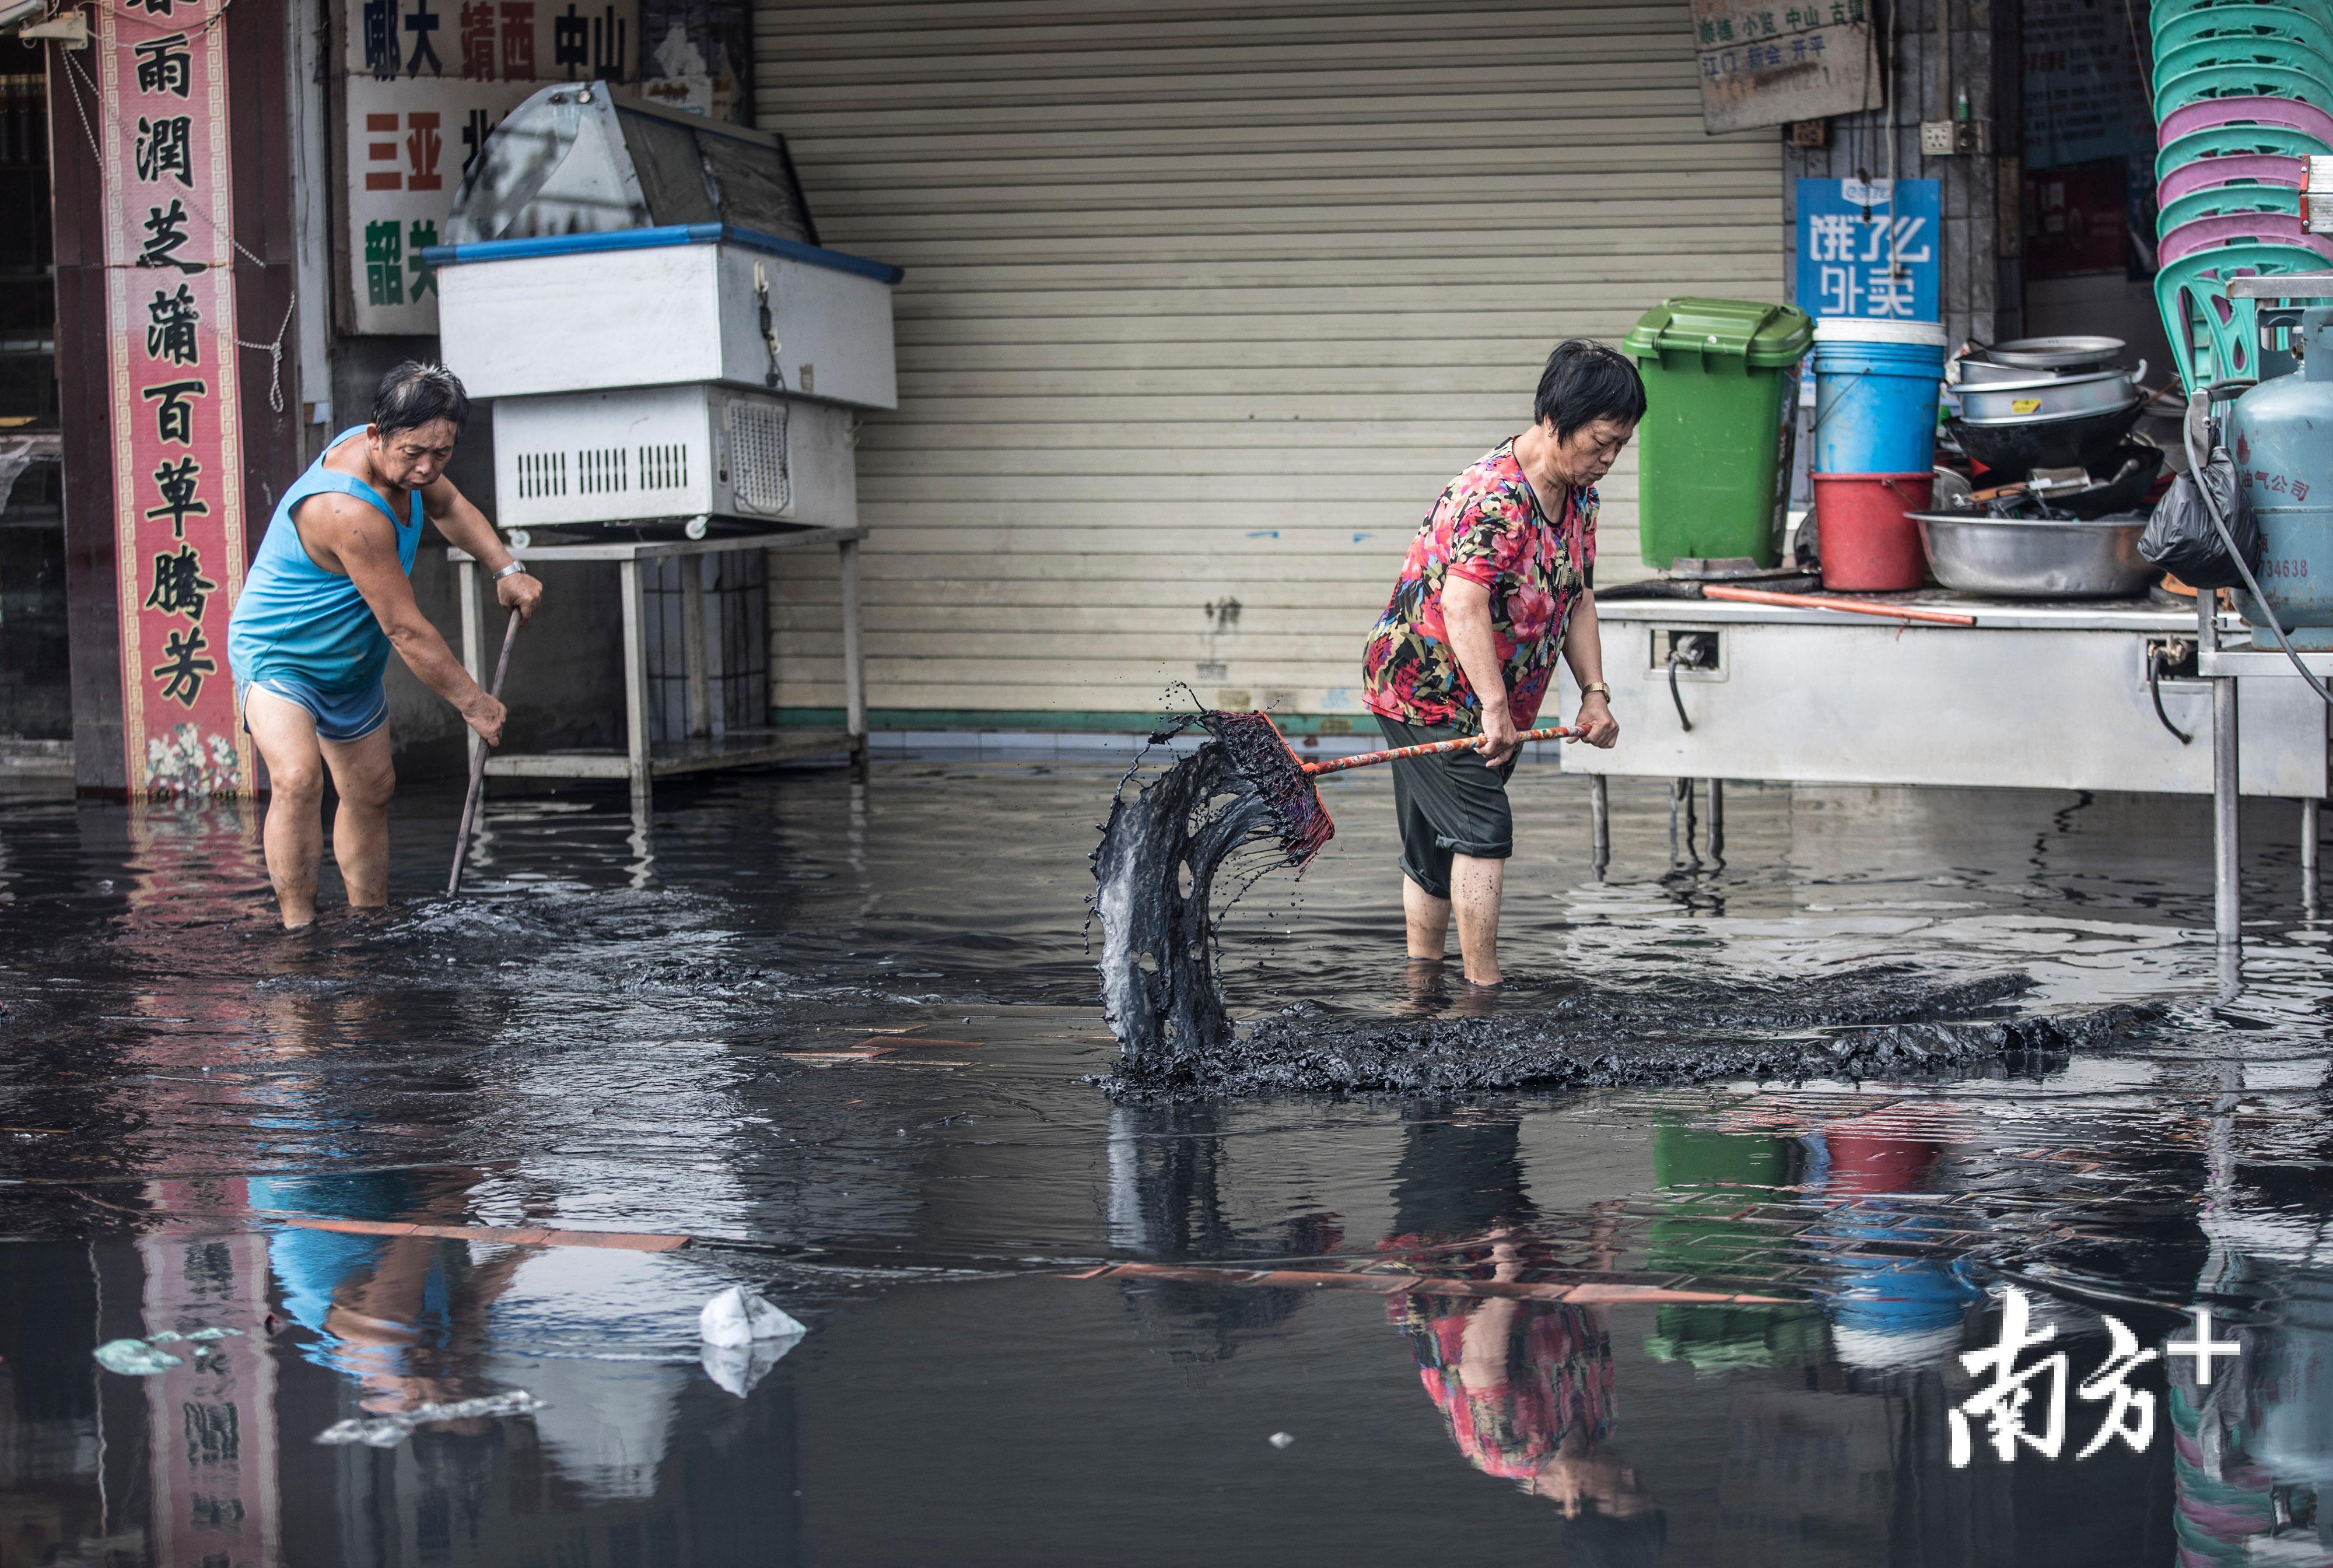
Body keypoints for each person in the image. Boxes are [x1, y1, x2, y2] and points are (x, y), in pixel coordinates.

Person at [1360, 339, 1640, 987]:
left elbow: (1578, 599)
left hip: (1487, 696)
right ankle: (1483, 993)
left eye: (1619, 447)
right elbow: (1462, 604)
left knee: (1435, 843)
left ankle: (1421, 989)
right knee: (1482, 826)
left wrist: (1593, 692)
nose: (1608, 460)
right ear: (1553, 421)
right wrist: (1493, 708)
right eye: (1599, 442)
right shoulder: (1497, 499)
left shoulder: (1579, 497)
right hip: (1424, 688)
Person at [227, 362, 541, 929]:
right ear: (375, 436)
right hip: (282, 656)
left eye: (441, 454)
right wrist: (474, 703)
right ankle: (298, 932)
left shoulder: (410, 466)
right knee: (299, 778)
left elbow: (448, 507)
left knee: (372, 787)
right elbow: (405, 629)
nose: (426, 468)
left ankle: (366, 922)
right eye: (415, 453)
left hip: (350, 661)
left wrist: (506, 568)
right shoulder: (347, 509)